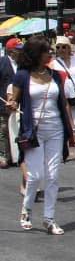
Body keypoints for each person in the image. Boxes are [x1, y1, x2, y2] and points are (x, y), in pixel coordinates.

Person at [8, 36, 75, 235]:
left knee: (53, 175)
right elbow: (14, 101)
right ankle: (26, 210)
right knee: (34, 176)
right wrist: (12, 105)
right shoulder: (22, 75)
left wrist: (72, 129)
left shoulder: (56, 75)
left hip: (56, 129)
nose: (51, 53)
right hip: (33, 132)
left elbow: (64, 103)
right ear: (36, 54)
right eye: (47, 50)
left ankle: (49, 218)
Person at [0, 37, 23, 169]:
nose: (20, 52)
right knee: (3, 129)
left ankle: (17, 155)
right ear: (10, 51)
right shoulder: (2, 62)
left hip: (19, 103)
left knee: (16, 129)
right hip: (4, 102)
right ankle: (4, 156)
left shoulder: (22, 64)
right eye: (17, 50)